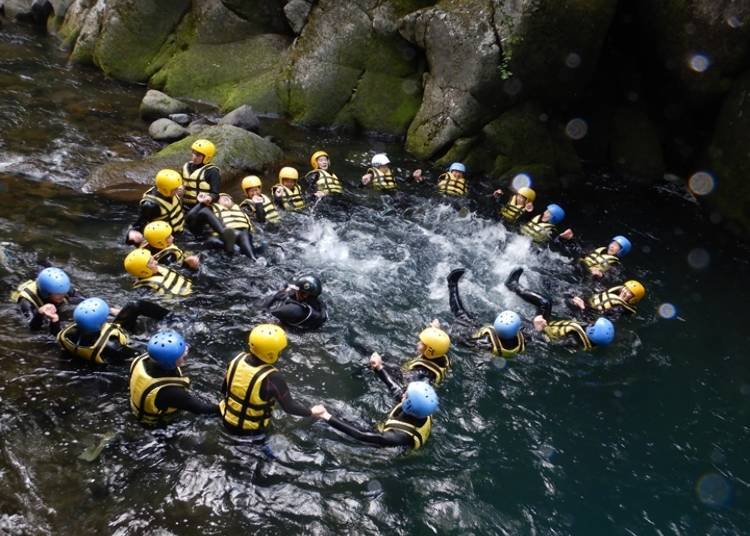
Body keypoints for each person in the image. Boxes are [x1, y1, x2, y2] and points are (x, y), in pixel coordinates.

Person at [220, 324, 312, 437]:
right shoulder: (272, 377)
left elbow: (224, 390)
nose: (281, 353)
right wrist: (312, 412)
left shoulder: (236, 360)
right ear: (270, 354)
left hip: (226, 422)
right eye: (279, 351)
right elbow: (289, 407)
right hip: (251, 433)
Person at [505, 267, 615, 351]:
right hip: (546, 325)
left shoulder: (572, 342)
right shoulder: (590, 336)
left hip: (538, 331)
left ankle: (511, 287)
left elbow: (547, 343)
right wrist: (582, 308)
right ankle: (514, 286)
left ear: (592, 332)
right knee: (546, 302)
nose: (591, 322)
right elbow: (584, 321)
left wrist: (538, 329)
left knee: (516, 318)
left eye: (593, 324)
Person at [311, 381, 438, 450]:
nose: (404, 394)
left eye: (407, 396)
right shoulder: (422, 411)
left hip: (384, 450)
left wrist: (326, 416)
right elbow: (397, 392)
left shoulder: (398, 437)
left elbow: (362, 435)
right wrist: (379, 368)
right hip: (384, 432)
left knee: (329, 426)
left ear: (410, 404)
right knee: (338, 408)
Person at [129, 330, 217, 425]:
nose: (186, 350)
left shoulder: (140, 360)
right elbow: (203, 409)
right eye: (184, 357)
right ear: (171, 363)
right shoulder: (170, 391)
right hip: (155, 425)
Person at [56, 297, 169, 364]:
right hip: (117, 351)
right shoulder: (113, 345)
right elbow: (140, 355)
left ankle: (170, 316)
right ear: (101, 323)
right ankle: (172, 318)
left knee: (134, 305)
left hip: (99, 341)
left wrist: (54, 321)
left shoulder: (68, 332)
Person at [447, 268, 526, 358]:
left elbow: (459, 338)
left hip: (472, 334)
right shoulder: (524, 339)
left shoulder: (483, 342)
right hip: (497, 352)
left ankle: (452, 284)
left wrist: (446, 331)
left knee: (460, 314)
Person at [369, 323, 452, 389]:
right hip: (410, 371)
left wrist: (380, 367)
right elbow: (440, 343)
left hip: (403, 378)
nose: (418, 343)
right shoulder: (442, 354)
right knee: (383, 356)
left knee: (372, 360)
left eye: (422, 343)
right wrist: (435, 330)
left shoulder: (421, 373)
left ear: (429, 350)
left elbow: (399, 385)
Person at [11, 267, 83, 333]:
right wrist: (40, 313)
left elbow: (83, 300)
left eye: (65, 291)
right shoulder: (26, 302)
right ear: (46, 293)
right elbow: (32, 328)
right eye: (58, 294)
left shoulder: (63, 287)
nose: (63, 295)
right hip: (18, 292)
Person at [127, 169, 185, 245]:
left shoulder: (171, 192)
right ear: (165, 190)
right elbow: (140, 222)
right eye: (175, 189)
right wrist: (133, 232)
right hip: (165, 238)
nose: (178, 190)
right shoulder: (150, 205)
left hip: (179, 231)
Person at [263, 275, 328, 330]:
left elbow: (268, 313)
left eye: (297, 290)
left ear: (305, 295)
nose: (294, 291)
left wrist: (278, 297)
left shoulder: (295, 310)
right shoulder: (318, 305)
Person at [210, 193, 262, 260]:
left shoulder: (242, 211)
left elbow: (254, 224)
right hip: (227, 236)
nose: (225, 198)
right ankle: (253, 259)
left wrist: (259, 205)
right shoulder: (213, 211)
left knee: (262, 243)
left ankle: (251, 258)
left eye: (227, 197)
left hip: (245, 236)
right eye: (221, 198)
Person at [123, 249, 192, 297]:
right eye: (151, 262)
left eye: (152, 259)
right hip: (185, 299)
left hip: (191, 288)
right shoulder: (145, 289)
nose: (156, 262)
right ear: (143, 271)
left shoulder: (158, 269)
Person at [567, 280, 646, 320]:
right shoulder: (613, 294)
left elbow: (596, 319)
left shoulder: (620, 309)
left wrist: (583, 307)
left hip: (586, 314)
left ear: (633, 299)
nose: (625, 291)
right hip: (587, 306)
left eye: (630, 292)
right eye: (625, 288)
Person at [181, 139, 220, 209]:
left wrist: (209, 198)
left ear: (207, 158)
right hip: (184, 205)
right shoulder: (186, 166)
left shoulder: (212, 171)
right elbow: (179, 184)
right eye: (193, 153)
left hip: (202, 207)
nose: (194, 157)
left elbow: (215, 194)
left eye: (198, 155)